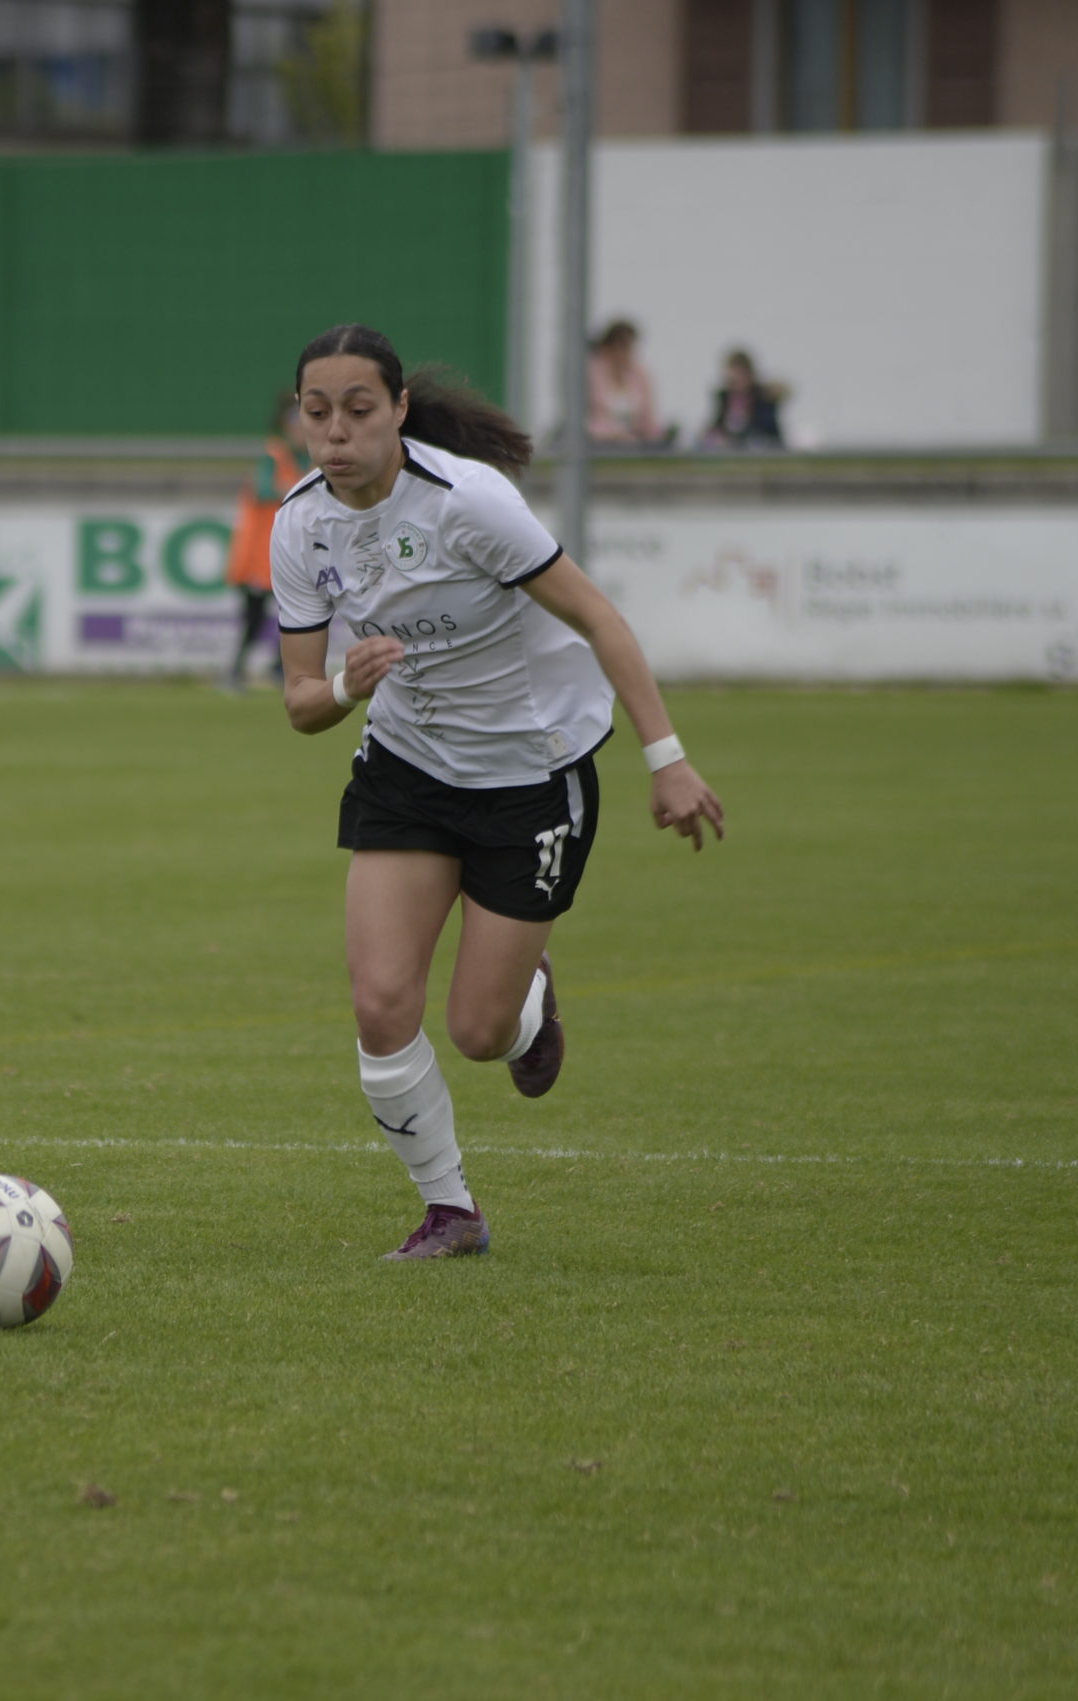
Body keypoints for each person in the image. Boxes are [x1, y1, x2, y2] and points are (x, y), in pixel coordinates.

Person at [270, 324, 725, 1261]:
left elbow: (598, 615)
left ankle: (525, 1001)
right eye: (318, 413)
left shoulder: (470, 502)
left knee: (477, 1031)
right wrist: (353, 686)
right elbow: (303, 704)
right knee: (380, 1001)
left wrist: (667, 757)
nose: (336, 434)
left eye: (359, 410)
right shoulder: (300, 522)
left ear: (398, 410)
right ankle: (451, 1211)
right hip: (406, 768)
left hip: (531, 771)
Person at [225, 395, 311, 688]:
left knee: (296, 611)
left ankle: (278, 667)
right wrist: (296, 488)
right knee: (254, 616)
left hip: (287, 553)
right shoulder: (273, 455)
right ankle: (236, 671)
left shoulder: (307, 459)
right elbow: (262, 489)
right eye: (297, 425)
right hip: (258, 553)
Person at [585, 319, 672, 447]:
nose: (626, 352)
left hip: (635, 443)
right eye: (622, 345)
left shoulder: (641, 375)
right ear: (609, 346)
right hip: (598, 444)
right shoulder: (591, 374)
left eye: (630, 346)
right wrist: (615, 435)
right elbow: (588, 419)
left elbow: (649, 417)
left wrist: (657, 437)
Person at [699, 347, 786, 449]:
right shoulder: (723, 397)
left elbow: (768, 431)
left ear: (749, 375)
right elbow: (715, 427)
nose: (735, 385)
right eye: (731, 380)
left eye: (739, 378)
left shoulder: (763, 397)